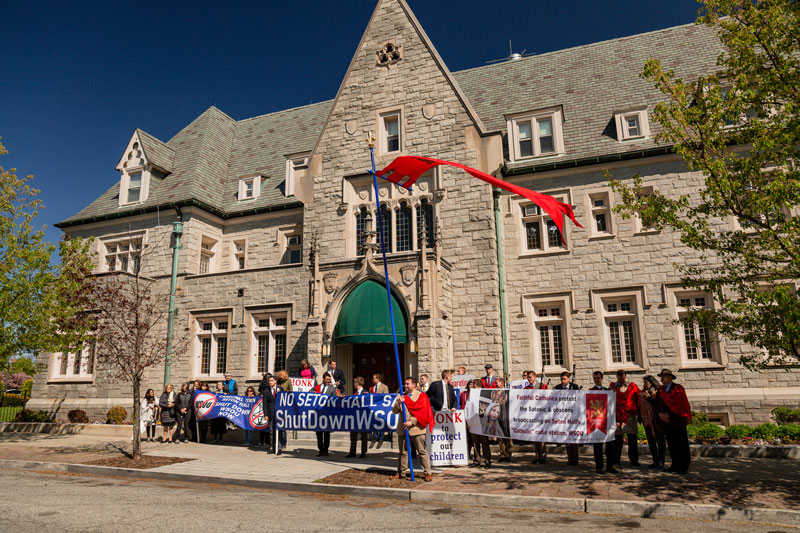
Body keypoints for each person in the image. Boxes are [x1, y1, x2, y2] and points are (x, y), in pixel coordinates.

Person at [392, 377, 434, 482]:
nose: (405, 386)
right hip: (404, 428)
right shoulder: (401, 396)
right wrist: (398, 403)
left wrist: (412, 422)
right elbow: (394, 411)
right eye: (405, 384)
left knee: (422, 451)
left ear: (414, 385)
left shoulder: (422, 396)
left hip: (417, 428)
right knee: (403, 452)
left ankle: (427, 473)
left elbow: (424, 412)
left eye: (407, 384)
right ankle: (401, 472)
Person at [655, 368, 692, 474]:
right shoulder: (661, 390)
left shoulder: (678, 388)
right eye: (661, 377)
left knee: (682, 445)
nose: (662, 379)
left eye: (665, 377)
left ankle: (683, 466)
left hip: (677, 421)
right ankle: (675, 464)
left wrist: (668, 414)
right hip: (667, 423)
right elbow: (657, 405)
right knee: (671, 445)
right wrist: (660, 414)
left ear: (670, 378)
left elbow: (679, 404)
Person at [609, 369, 640, 469]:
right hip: (617, 416)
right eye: (619, 377)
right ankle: (616, 459)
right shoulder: (613, 386)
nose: (621, 380)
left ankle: (634, 460)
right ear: (617, 377)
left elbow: (638, 397)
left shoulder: (632, 386)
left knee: (632, 439)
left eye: (623, 377)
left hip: (629, 416)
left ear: (625, 376)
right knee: (618, 440)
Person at [589, 371, 615, 474]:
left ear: (602, 378)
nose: (596, 380)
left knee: (610, 446)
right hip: (596, 423)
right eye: (595, 378)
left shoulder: (608, 390)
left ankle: (610, 466)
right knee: (598, 447)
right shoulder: (591, 391)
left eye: (598, 378)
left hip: (607, 422)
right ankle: (599, 467)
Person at [554, 371, 581, 465]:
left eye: (564, 379)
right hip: (563, 416)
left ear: (569, 379)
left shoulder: (575, 387)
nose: (562, 381)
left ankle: (575, 459)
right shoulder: (558, 388)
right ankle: (570, 459)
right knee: (567, 439)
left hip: (573, 416)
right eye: (561, 379)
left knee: (574, 439)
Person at [640, 375, 665, 469]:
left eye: (646, 382)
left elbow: (658, 405)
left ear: (651, 383)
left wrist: (649, 398)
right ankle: (655, 461)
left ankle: (661, 462)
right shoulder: (643, 393)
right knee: (651, 443)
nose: (644, 384)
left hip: (656, 421)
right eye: (644, 382)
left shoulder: (656, 392)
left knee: (660, 442)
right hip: (646, 421)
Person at [525, 371, 547, 464]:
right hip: (531, 414)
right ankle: (537, 456)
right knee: (534, 437)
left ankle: (543, 456)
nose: (529, 379)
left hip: (541, 414)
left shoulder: (542, 386)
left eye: (530, 377)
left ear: (534, 377)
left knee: (541, 437)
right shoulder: (526, 388)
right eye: (528, 378)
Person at [469, 379, 492, 469]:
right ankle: (477, 460)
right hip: (474, 421)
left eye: (473, 384)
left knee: (484, 442)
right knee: (475, 442)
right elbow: (469, 407)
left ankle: (487, 461)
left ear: (475, 384)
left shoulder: (484, 393)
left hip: (482, 421)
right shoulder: (471, 394)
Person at [315, 373, 338, 456]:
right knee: (318, 433)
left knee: (326, 433)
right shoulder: (317, 387)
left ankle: (326, 450)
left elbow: (334, 400)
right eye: (327, 379)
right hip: (318, 413)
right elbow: (309, 394)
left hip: (327, 413)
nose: (328, 381)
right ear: (323, 379)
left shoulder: (332, 389)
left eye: (329, 379)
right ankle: (320, 449)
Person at [347, 377, 369, 458]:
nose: (354, 385)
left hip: (363, 417)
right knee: (353, 435)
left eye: (354, 383)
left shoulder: (365, 392)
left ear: (357, 384)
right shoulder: (355, 393)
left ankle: (363, 452)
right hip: (354, 417)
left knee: (363, 435)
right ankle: (352, 452)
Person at [494, 376, 513, 462]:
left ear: (501, 383)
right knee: (500, 437)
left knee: (508, 437)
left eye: (497, 382)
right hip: (498, 417)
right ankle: (502, 454)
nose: (495, 384)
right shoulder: (495, 392)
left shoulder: (507, 392)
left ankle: (508, 454)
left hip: (507, 417)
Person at [370, 373, 390, 449]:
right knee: (374, 422)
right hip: (374, 408)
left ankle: (381, 438)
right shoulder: (371, 388)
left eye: (373, 378)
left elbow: (386, 397)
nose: (372, 380)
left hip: (381, 408)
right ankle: (375, 437)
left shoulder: (384, 387)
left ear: (378, 379)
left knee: (381, 422)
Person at [275, 370, 292, 452]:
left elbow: (291, 391)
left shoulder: (288, 381)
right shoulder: (278, 381)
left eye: (282, 375)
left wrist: (284, 392)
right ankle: (278, 443)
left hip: (284, 404)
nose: (280, 377)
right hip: (278, 404)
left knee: (283, 425)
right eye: (279, 376)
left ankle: (284, 442)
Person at [460, 380, 475, 462]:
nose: (471, 385)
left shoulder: (476, 394)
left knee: (474, 438)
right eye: (470, 384)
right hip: (465, 416)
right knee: (467, 437)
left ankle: (476, 455)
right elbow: (462, 405)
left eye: (473, 384)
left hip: (474, 417)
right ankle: (468, 453)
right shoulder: (464, 394)